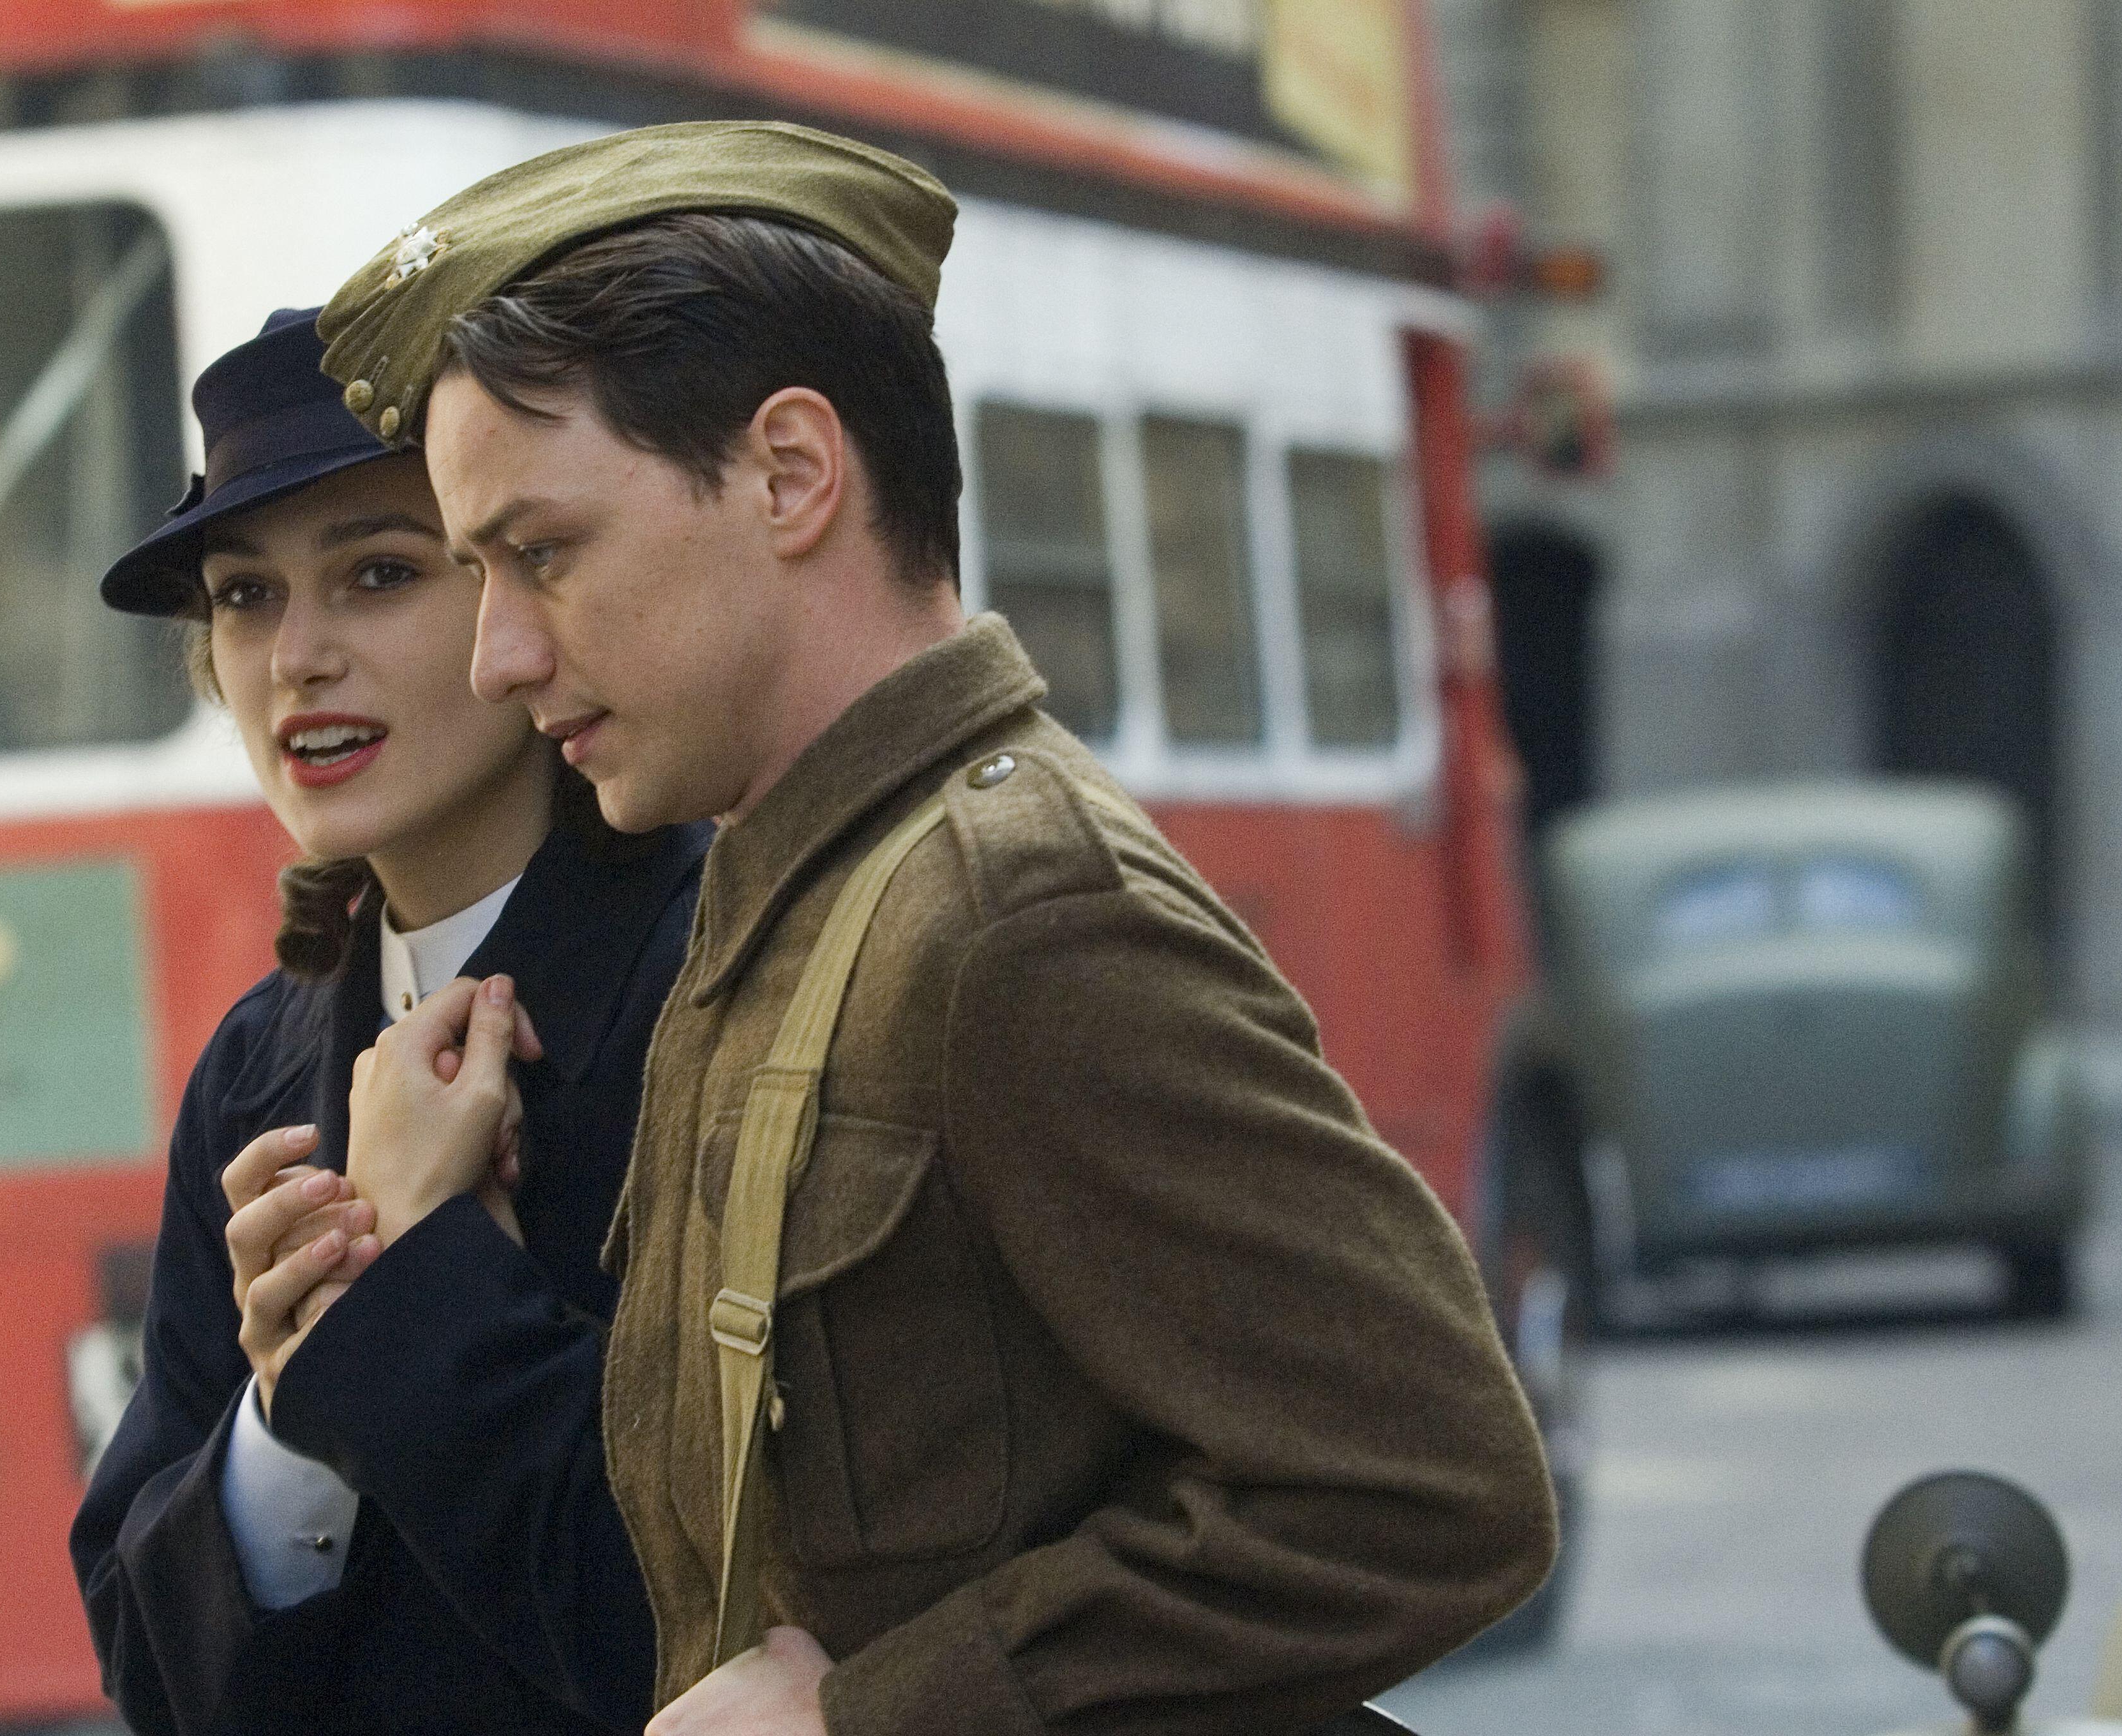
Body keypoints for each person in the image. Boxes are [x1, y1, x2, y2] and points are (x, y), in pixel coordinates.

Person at [311, 121, 1559, 1735]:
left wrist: (877, 1718)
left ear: (789, 474)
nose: (496, 656)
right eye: (480, 570)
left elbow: (1427, 1489)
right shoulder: (795, 889)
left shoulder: (1011, 914)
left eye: (542, 553)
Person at [68, 307, 703, 1735]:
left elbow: (703, 1608)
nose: (295, 657)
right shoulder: (260, 1063)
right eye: (242, 596)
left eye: (377, 572)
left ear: (525, 594)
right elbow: (157, 1678)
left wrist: (403, 1305)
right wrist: (294, 1425)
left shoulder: (720, 979)